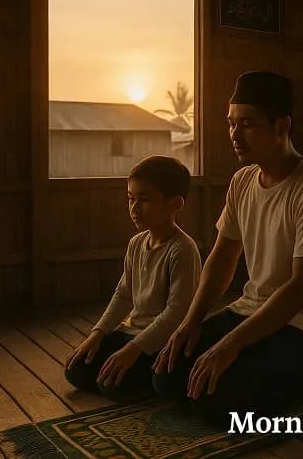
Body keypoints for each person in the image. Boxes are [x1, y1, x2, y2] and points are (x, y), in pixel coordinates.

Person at [152, 71, 303, 425]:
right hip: (252, 309)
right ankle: (287, 368)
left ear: (281, 127)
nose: (235, 135)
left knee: (218, 402)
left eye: (248, 124)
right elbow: (223, 257)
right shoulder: (243, 181)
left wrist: (230, 345)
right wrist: (190, 323)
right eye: (231, 123)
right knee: (166, 377)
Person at [65, 156, 201, 400]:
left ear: (175, 204)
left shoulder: (183, 249)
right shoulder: (136, 244)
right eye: (131, 199)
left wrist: (133, 350)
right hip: (131, 333)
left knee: (113, 385)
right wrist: (97, 335)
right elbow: (123, 295)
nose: (135, 208)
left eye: (145, 200)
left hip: (160, 339)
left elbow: (176, 314)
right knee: (76, 370)